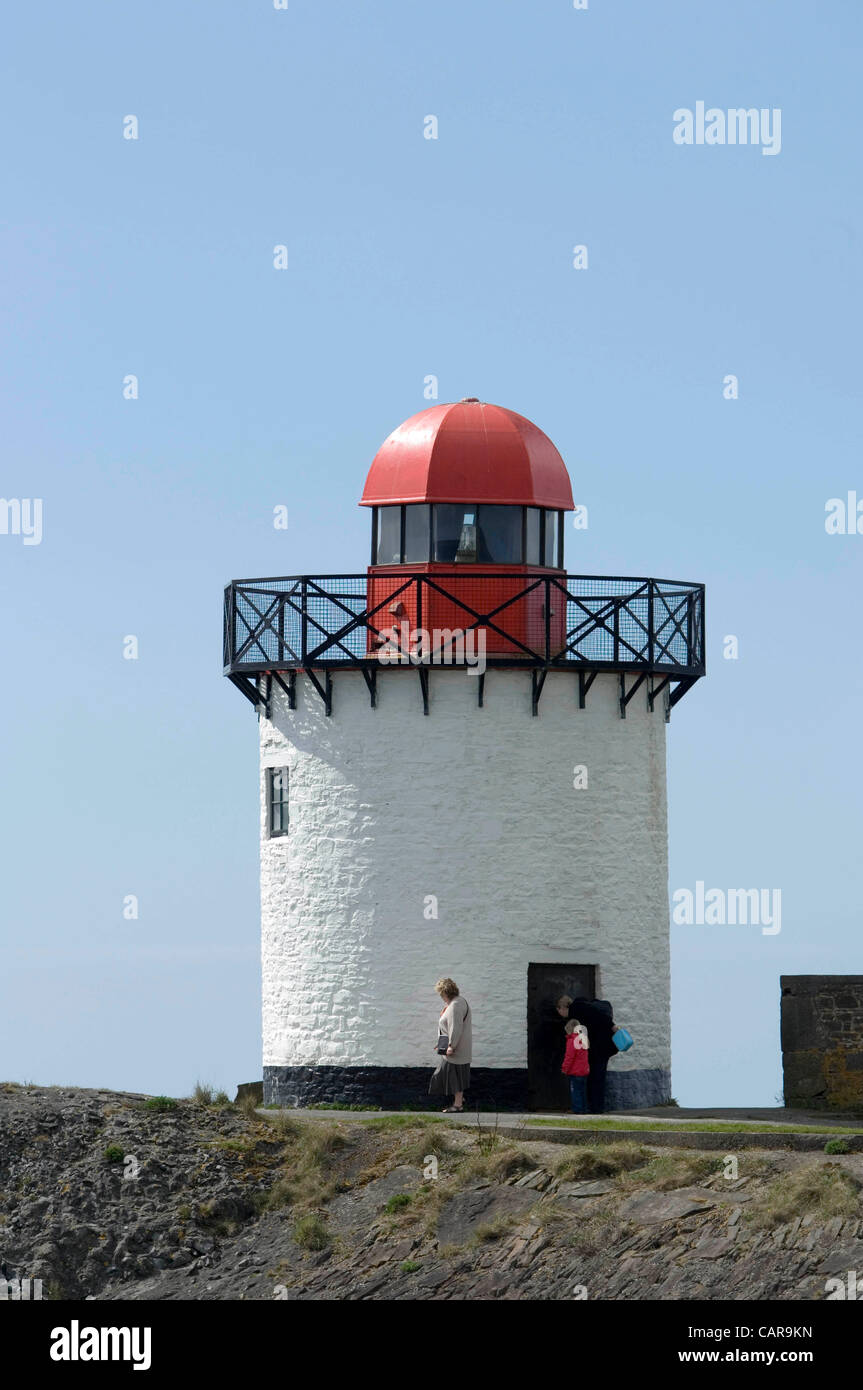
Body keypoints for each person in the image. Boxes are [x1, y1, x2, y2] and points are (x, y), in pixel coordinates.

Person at [429, 977, 472, 1113]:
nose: (441, 997)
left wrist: (451, 1046)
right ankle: (459, 1099)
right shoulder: (457, 1002)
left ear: (445, 992)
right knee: (448, 1075)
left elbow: (455, 1027)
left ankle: (458, 1104)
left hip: (455, 1050)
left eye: (441, 993)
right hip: (452, 1047)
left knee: (454, 1077)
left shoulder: (454, 1005)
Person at [568, 997, 616, 1113]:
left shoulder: (577, 1009)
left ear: (563, 1008)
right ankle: (596, 1108)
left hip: (596, 1049)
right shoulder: (589, 1010)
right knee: (598, 1079)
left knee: (592, 1079)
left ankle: (592, 1108)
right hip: (605, 1047)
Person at [561, 1017, 590, 1112]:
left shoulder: (572, 1040)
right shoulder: (583, 1039)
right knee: (582, 1091)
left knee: (575, 1091)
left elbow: (569, 1056)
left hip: (575, 1071)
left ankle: (577, 1109)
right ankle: (583, 1109)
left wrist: (564, 1068)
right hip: (584, 1071)